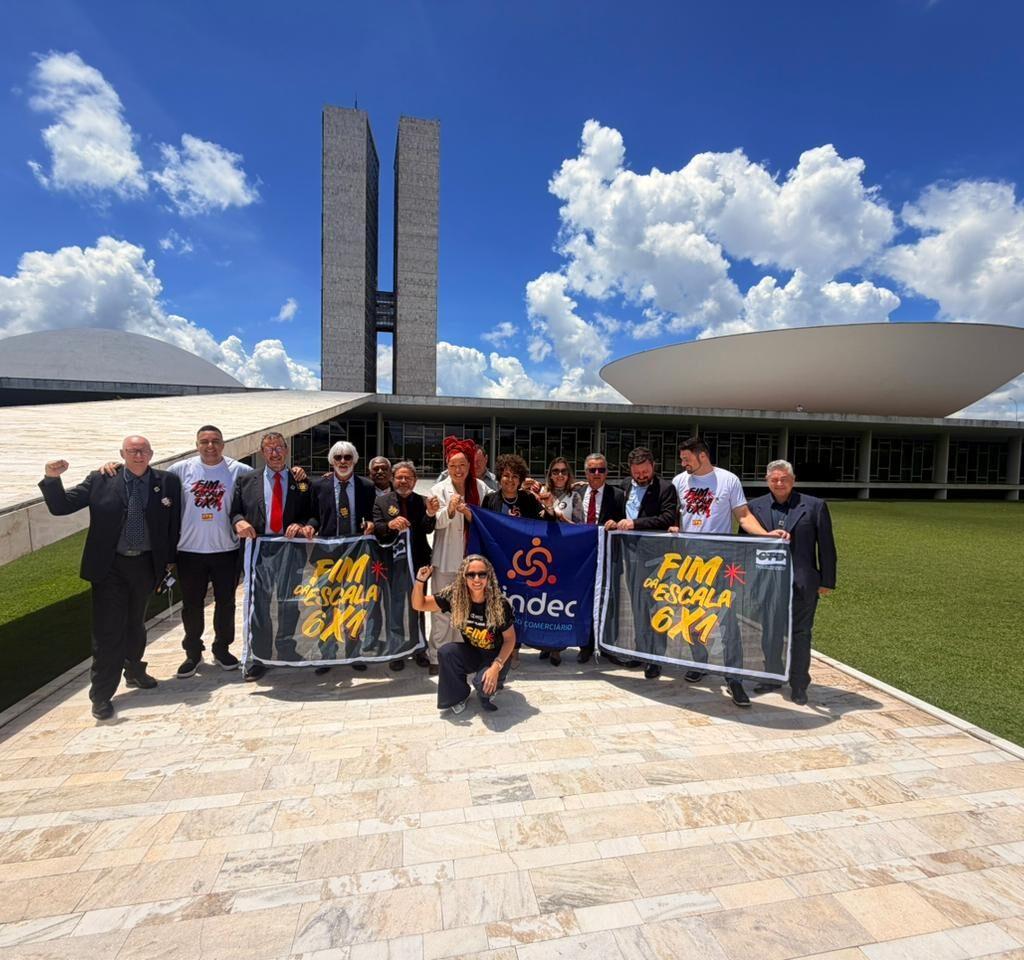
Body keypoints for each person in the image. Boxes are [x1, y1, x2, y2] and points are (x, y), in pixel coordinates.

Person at [39, 436, 181, 721]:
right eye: (132, 451)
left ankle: (134, 670)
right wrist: (52, 478)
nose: (138, 455)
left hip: (145, 565)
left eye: (143, 450)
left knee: (136, 623)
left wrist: (169, 561)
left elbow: (172, 522)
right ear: (122, 454)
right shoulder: (102, 479)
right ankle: (101, 694)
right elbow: (62, 506)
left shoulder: (167, 482)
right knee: (108, 631)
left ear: (151, 453)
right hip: (110, 567)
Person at [670, 436, 789, 706]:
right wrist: (674, 526)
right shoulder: (679, 481)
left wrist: (766, 535)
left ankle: (733, 676)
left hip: (720, 562)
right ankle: (699, 662)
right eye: (682, 459)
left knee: (727, 618)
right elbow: (674, 514)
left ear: (702, 456)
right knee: (692, 614)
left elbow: (743, 516)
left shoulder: (728, 480)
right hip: (689, 562)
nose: (683, 463)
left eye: (687, 458)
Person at [745, 460, 836, 705]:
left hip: (802, 583)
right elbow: (745, 546)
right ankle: (772, 677)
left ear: (793, 480)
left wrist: (827, 580)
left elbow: (826, 546)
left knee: (800, 634)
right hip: (767, 583)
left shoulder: (814, 506)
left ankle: (799, 684)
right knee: (770, 632)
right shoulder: (754, 507)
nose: (779, 483)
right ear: (767, 481)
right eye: (774, 479)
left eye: (784, 479)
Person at [230, 433, 313, 681]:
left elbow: (313, 513)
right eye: (269, 449)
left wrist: (302, 524)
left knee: (289, 602)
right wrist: (239, 521)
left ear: (286, 450)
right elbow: (234, 512)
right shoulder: (246, 480)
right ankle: (261, 655)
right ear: (262, 452)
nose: (275, 453)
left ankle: (287, 648)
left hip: (291, 551)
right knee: (260, 604)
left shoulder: (301, 480)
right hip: (260, 552)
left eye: (279, 448)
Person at [606, 447, 679, 679]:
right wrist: (615, 522)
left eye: (645, 472)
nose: (641, 476)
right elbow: (621, 512)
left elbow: (667, 518)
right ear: (630, 470)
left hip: (656, 556)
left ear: (653, 466)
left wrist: (635, 523)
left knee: (655, 607)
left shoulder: (666, 488)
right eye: (637, 473)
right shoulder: (625, 485)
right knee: (638, 605)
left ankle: (656, 658)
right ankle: (641, 650)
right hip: (630, 553)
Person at [412, 555, 516, 715]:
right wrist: (420, 581)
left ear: (488, 576)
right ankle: (459, 695)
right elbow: (419, 604)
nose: (477, 579)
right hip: (473, 651)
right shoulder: (455, 597)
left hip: (496, 654)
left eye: (482, 574)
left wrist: (496, 667)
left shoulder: (499, 604)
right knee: (446, 652)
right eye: (471, 574)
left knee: (483, 688)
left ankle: (495, 682)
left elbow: (510, 639)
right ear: (463, 576)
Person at [307, 441, 376, 672]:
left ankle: (353, 654)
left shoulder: (366, 486)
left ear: (355, 460)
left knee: (355, 605)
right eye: (338, 457)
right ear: (331, 461)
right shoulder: (319, 486)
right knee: (328, 606)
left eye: (347, 457)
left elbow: (372, 514)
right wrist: (310, 526)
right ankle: (327, 654)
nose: (343, 461)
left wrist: (370, 523)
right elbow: (314, 516)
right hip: (327, 557)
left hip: (356, 556)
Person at [427, 437, 490, 675]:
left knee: (467, 611)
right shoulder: (438, 489)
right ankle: (437, 656)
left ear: (470, 465)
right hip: (445, 559)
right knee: (442, 611)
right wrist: (450, 510)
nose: (458, 470)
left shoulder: (480, 488)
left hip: (472, 560)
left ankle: (462, 656)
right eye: (453, 465)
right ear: (447, 466)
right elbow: (435, 522)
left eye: (462, 465)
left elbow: (490, 516)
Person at [373, 460, 440, 670]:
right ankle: (397, 651)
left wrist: (430, 513)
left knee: (418, 606)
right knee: (395, 607)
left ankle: (419, 649)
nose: (403, 481)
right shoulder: (382, 501)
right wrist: (390, 525)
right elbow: (377, 527)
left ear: (415, 480)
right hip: (393, 563)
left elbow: (427, 529)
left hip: (418, 563)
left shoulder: (422, 501)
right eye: (400, 477)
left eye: (408, 478)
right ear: (392, 479)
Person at [564, 453, 626, 663]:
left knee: (609, 602)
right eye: (592, 470)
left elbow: (626, 522)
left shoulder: (618, 495)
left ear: (607, 472)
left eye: (601, 469)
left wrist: (617, 524)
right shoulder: (576, 493)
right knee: (584, 602)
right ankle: (586, 645)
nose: (597, 473)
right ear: (586, 473)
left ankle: (608, 646)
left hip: (608, 557)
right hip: (582, 558)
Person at [482, 453, 544, 519]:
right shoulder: (489, 500)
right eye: (506, 475)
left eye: (515, 476)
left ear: (520, 480)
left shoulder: (530, 499)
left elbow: (544, 520)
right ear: (500, 477)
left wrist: (547, 504)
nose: (510, 480)